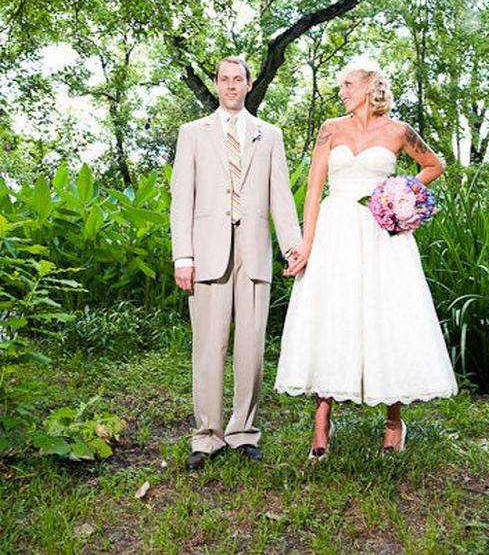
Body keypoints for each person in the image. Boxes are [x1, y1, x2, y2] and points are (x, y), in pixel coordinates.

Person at [275, 58, 457, 459]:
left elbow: (434, 165)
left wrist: (399, 193)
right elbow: (313, 189)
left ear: (371, 85)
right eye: (340, 86)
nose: (341, 92)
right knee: (332, 317)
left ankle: (395, 421)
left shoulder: (399, 132)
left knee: (385, 317)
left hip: (382, 236)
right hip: (336, 231)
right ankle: (322, 419)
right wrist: (306, 245)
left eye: (348, 84)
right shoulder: (330, 129)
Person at [171, 56, 303, 468]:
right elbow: (182, 200)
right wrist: (183, 256)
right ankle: (206, 435)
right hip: (206, 254)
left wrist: (293, 248)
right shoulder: (192, 133)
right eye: (224, 79)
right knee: (208, 347)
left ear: (248, 85)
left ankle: (243, 431)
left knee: (251, 346)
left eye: (237, 79)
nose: (230, 85)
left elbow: (281, 197)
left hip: (254, 255)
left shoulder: (270, 135)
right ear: (216, 85)